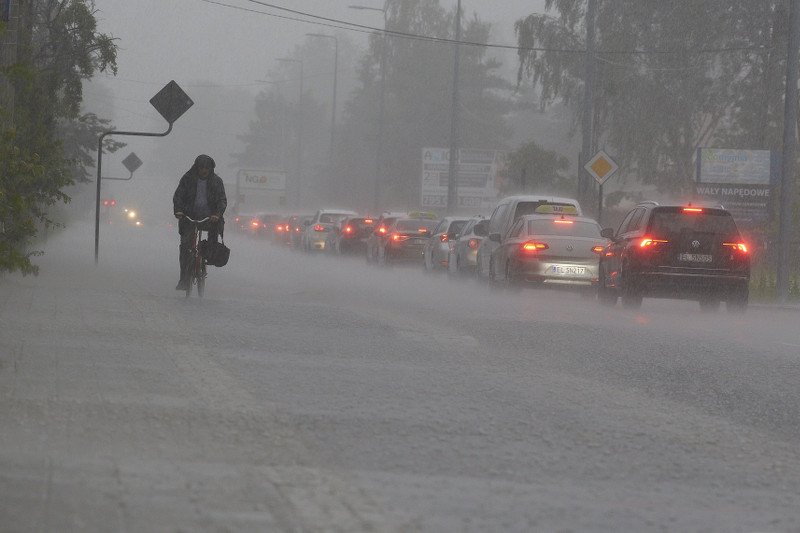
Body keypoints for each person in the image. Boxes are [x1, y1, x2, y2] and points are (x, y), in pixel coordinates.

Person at [173, 154, 227, 290]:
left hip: (210, 218)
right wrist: (179, 211)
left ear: (211, 169)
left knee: (212, 242)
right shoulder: (187, 179)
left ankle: (206, 258)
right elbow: (178, 196)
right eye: (201, 167)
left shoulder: (216, 182)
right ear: (196, 167)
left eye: (207, 168)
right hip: (189, 216)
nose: (204, 170)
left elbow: (222, 200)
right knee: (185, 247)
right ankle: (184, 279)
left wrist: (217, 214)